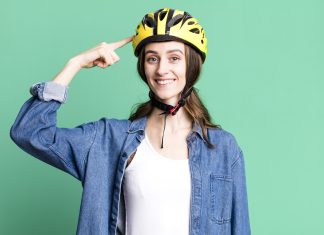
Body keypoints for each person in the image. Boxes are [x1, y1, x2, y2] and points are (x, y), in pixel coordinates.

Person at [10, 8, 251, 235]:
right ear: (142, 66)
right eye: (152, 59)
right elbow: (29, 132)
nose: (162, 69)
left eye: (174, 58)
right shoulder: (106, 141)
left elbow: (240, 228)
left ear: (192, 65)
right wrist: (76, 63)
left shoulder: (223, 149)